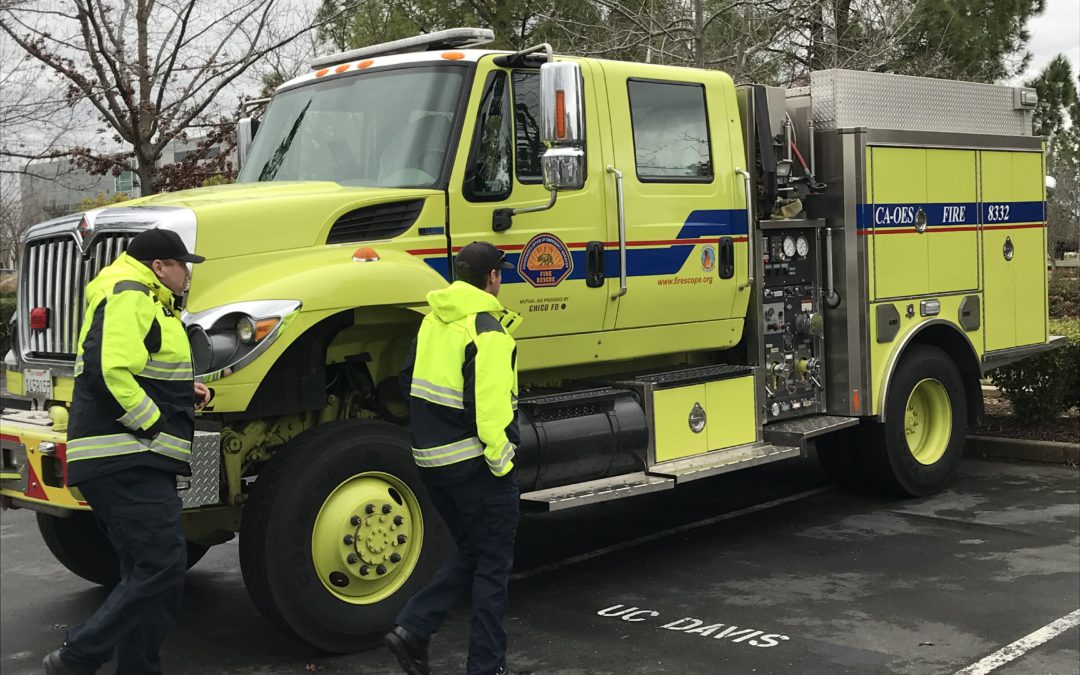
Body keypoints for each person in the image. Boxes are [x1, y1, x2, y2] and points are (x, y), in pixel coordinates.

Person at [44, 228, 211, 675]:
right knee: (162, 565)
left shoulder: (143, 297)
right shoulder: (131, 293)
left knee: (152, 573)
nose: (187, 274)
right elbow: (107, 371)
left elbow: (135, 366)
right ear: (161, 266)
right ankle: (77, 656)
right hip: (128, 458)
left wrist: (179, 391)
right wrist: (153, 424)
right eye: (183, 265)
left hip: (129, 460)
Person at [386, 241, 527, 675]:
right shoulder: (487, 330)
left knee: (472, 553)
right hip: (474, 467)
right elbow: (490, 412)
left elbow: (409, 380)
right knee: (493, 568)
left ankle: (413, 627)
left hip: (432, 463)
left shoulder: (433, 320)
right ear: (492, 278)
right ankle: (486, 667)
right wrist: (504, 466)